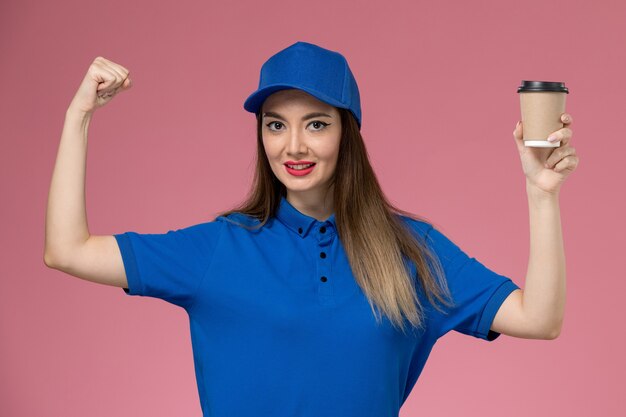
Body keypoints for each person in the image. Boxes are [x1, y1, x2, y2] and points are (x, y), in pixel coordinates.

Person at [44, 41, 578, 417]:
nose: (293, 146)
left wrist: (542, 196)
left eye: (316, 123)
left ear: (349, 133)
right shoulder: (219, 248)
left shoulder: (410, 251)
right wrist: (79, 115)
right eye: (276, 124)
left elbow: (540, 318)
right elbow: (66, 250)